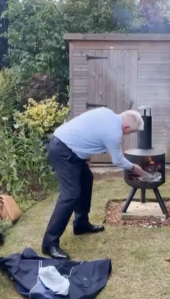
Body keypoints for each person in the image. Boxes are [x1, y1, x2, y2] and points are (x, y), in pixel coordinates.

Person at [42, 107, 150, 260]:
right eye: (130, 132)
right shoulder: (114, 132)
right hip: (63, 150)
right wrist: (135, 168)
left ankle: (81, 224)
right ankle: (49, 243)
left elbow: (87, 128)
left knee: (87, 179)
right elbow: (117, 160)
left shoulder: (106, 112)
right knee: (70, 195)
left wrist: (85, 151)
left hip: (70, 148)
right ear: (126, 127)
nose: (128, 134)